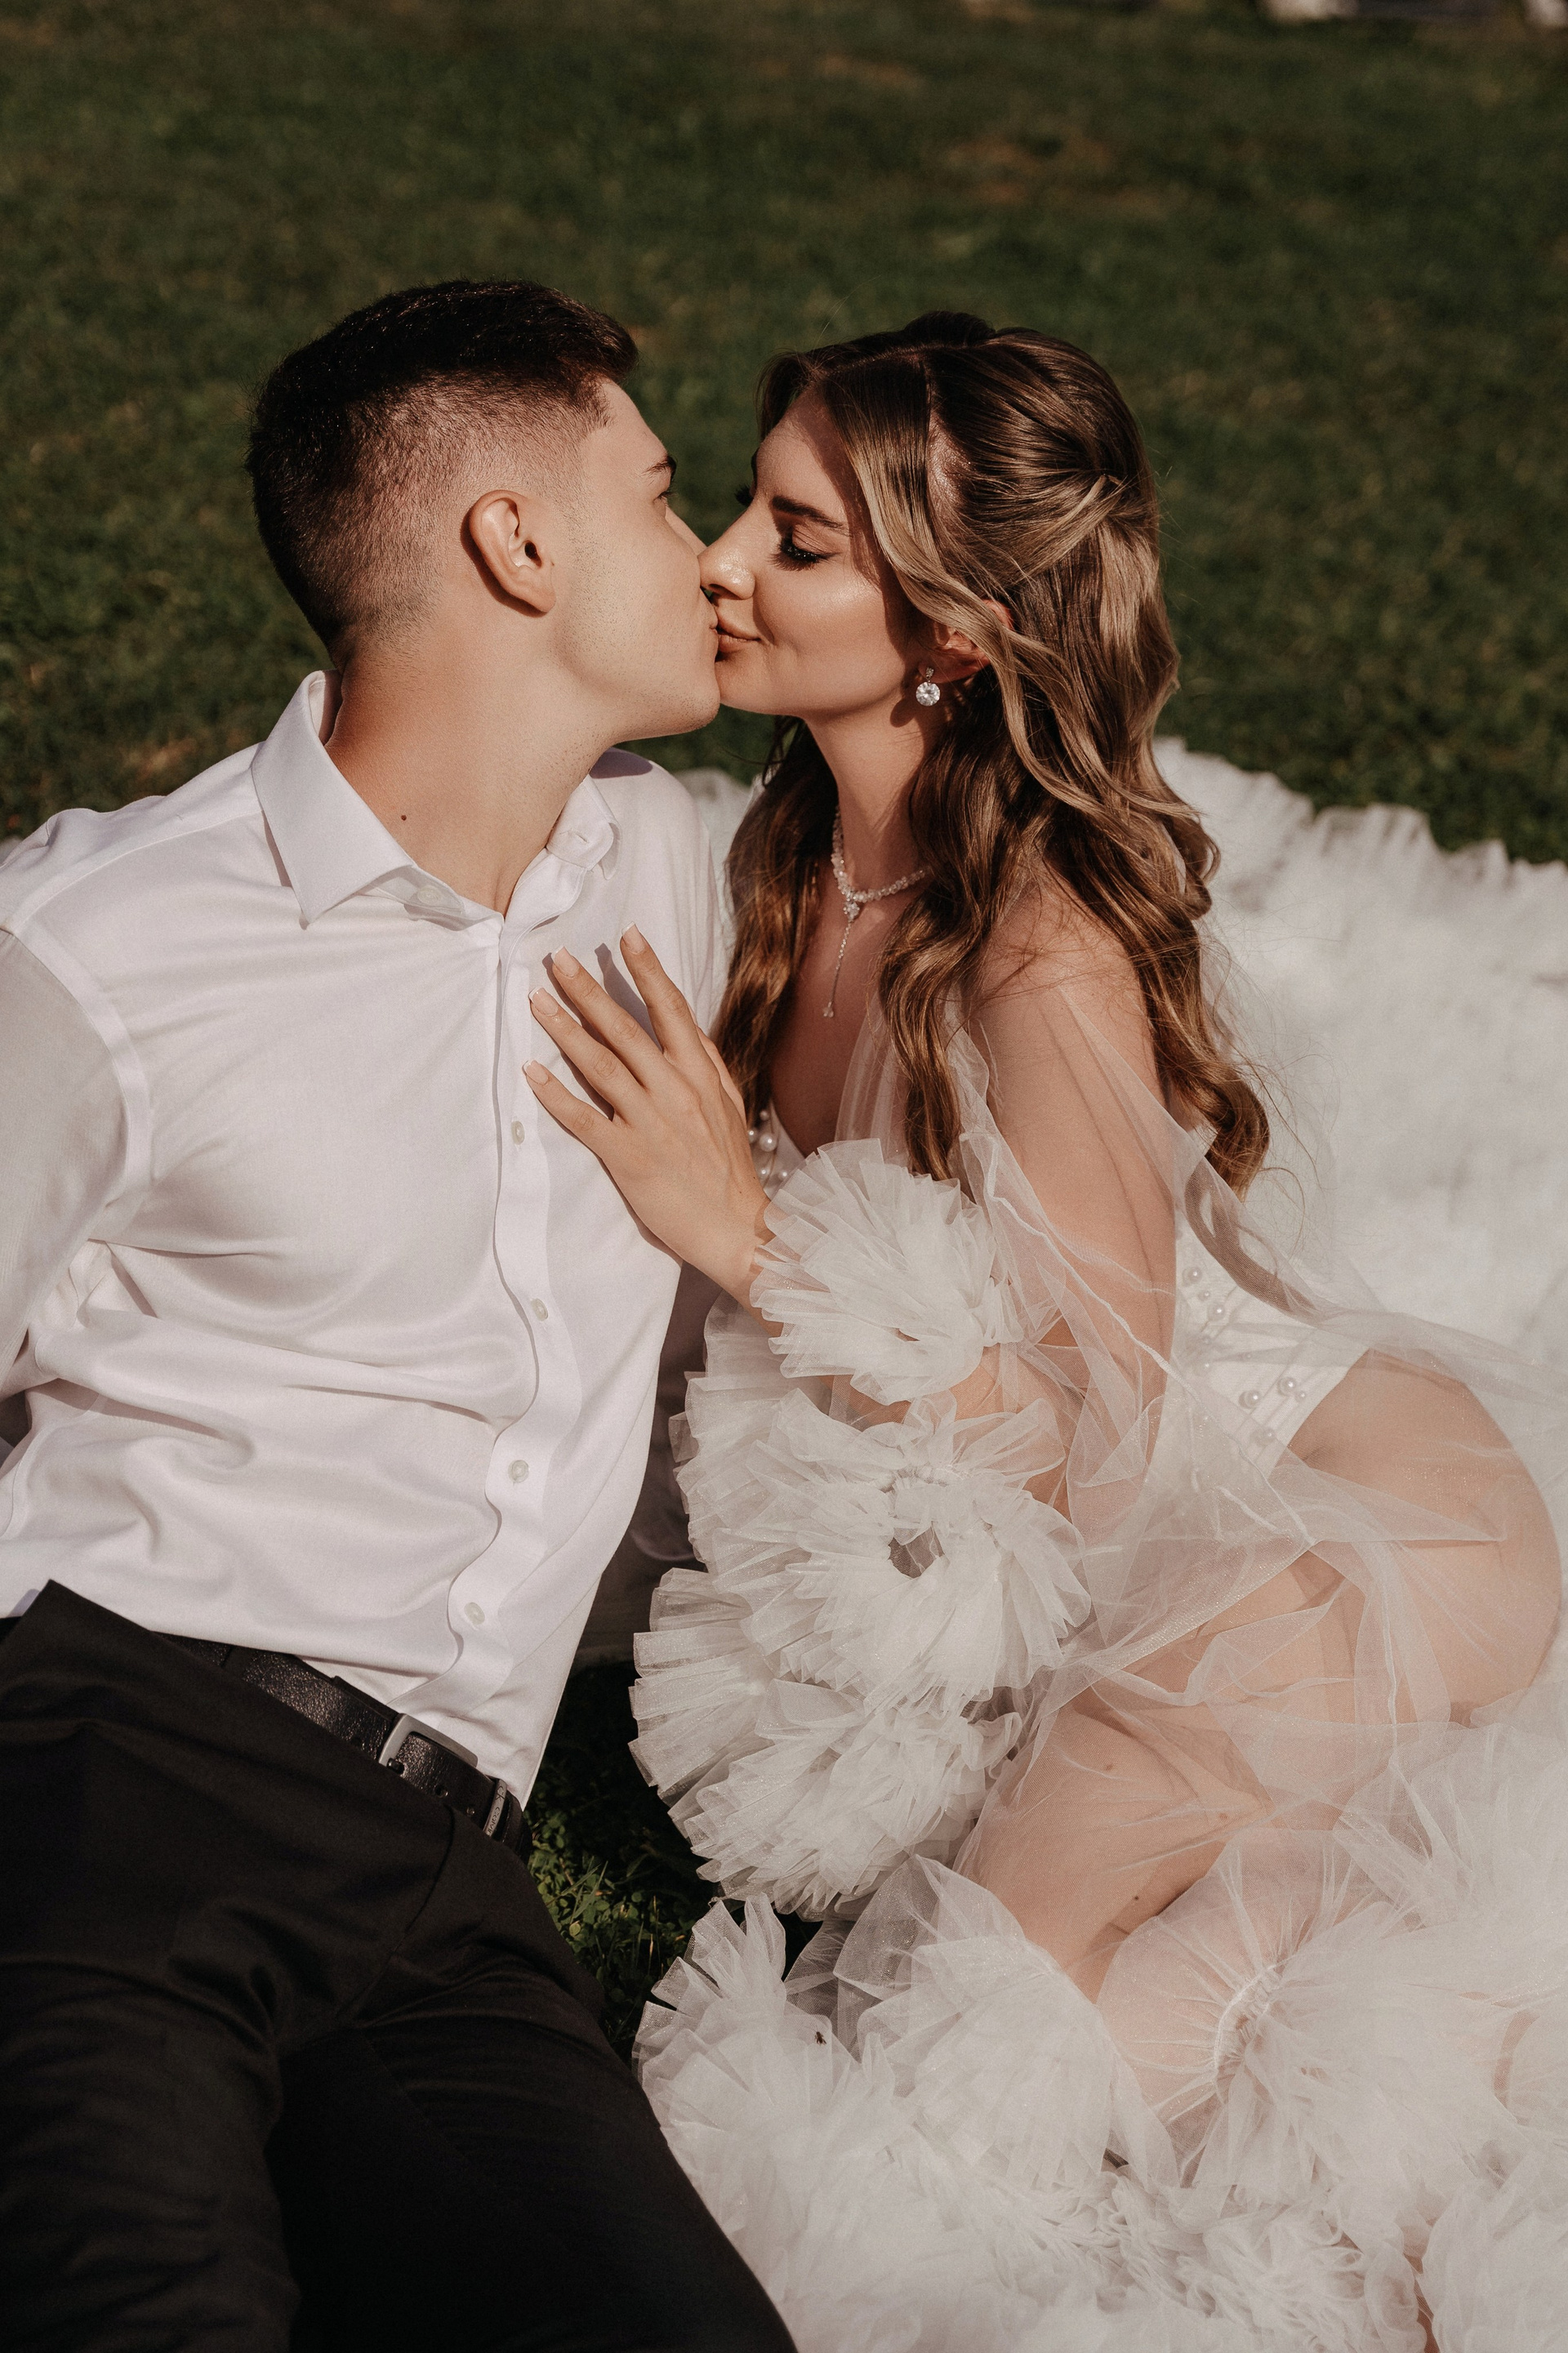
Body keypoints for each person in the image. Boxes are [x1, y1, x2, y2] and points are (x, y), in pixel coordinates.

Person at [527, 313, 1568, 2351]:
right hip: (1111, 1541)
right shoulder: (797, 860)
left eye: (796, 539)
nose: (723, 562)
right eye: (743, 506)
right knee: (1055, 2003)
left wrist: (750, 1237)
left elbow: (1101, 1445)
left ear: (955, 630)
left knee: (977, 2022)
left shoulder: (1039, 950)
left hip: (1332, 1531)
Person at [0, 279, 795, 2353]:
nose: (710, 555)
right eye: (662, 494)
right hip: (123, 1769)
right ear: (515, 545)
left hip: (451, 1884)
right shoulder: (105, 942)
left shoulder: (672, 878)